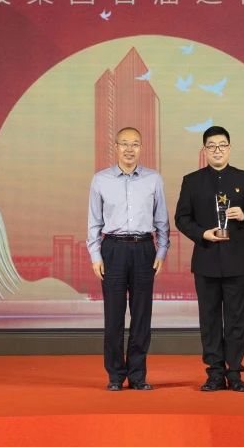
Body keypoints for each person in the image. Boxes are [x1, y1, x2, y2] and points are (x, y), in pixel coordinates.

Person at [175, 126, 244, 393]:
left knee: (237, 319)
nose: (217, 150)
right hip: (206, 260)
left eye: (222, 145)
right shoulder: (192, 181)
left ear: (229, 148)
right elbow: (181, 218)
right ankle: (215, 373)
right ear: (204, 150)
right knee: (210, 320)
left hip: (237, 262)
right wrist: (202, 234)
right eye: (212, 146)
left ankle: (235, 372)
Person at [87, 127, 170, 391]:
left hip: (144, 249)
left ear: (141, 148)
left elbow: (162, 220)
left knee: (141, 315)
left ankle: (137, 375)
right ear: (116, 147)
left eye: (135, 144)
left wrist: (161, 251)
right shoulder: (100, 180)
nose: (129, 149)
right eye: (124, 143)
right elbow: (94, 222)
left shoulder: (153, 179)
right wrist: (95, 255)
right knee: (113, 316)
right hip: (113, 249)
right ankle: (115, 376)